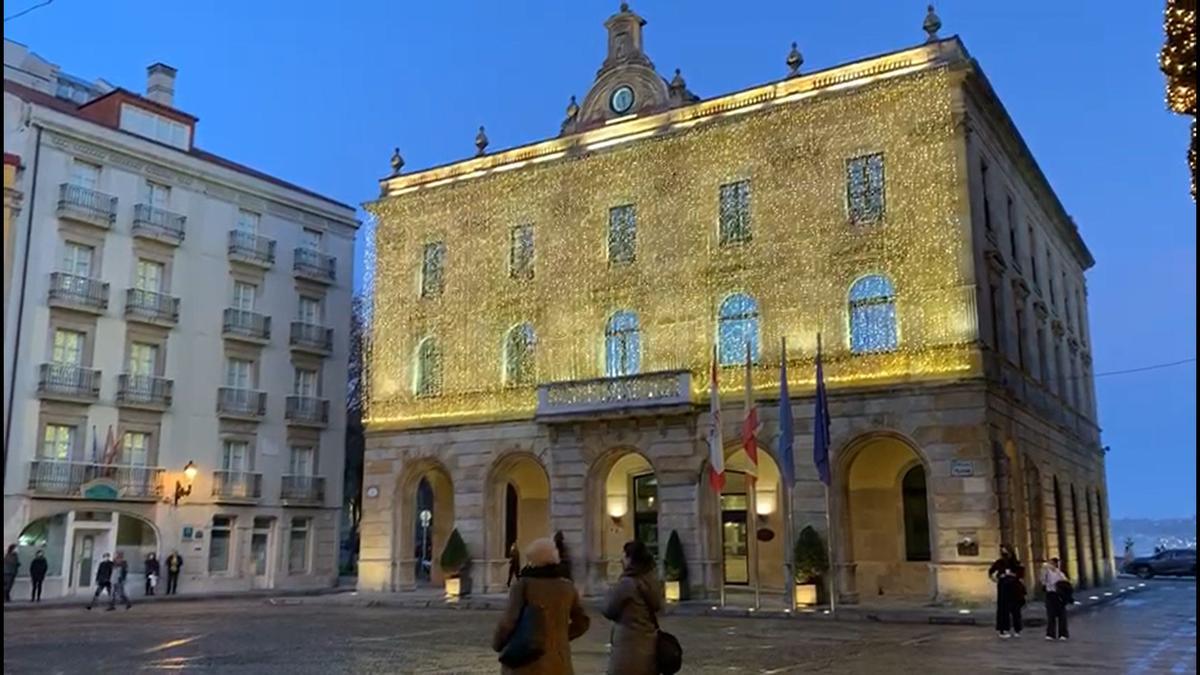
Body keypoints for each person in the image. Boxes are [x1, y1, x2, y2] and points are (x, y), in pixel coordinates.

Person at [492, 537, 590, 674]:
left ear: (532, 560)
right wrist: (560, 636)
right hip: (559, 661)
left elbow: (509, 621)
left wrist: (498, 643)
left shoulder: (523, 585)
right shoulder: (567, 586)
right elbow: (582, 622)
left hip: (527, 659)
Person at [603, 540, 662, 675]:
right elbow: (658, 605)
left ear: (630, 558)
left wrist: (609, 592)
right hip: (649, 641)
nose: (621, 559)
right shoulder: (652, 579)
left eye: (624, 555)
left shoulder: (627, 583)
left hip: (628, 644)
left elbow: (608, 609)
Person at [988, 544, 1026, 638]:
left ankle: (1017, 629)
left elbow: (1021, 574)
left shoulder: (1016, 563)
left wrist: (1014, 575)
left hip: (1014, 588)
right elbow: (991, 572)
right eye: (1002, 551)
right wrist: (997, 578)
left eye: (1006, 551)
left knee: (1015, 610)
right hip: (1003, 588)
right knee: (1003, 610)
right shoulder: (999, 562)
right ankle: (1004, 629)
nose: (1004, 553)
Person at [1041, 557, 1070, 641]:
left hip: (1059, 595)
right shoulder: (1046, 572)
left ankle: (1063, 634)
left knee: (1062, 615)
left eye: (1052, 563)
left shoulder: (1060, 573)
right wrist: (1044, 569)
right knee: (1050, 615)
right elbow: (1043, 580)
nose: (1050, 565)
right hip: (1050, 594)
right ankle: (1050, 634)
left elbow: (1065, 582)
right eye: (1049, 563)